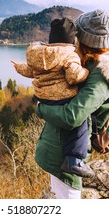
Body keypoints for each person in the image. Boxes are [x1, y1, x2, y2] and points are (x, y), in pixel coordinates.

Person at [34, 9, 109, 199]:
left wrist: (40, 108)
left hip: (65, 157)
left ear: (84, 40)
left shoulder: (101, 76)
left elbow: (72, 117)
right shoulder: (88, 65)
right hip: (60, 152)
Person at [11, 17, 94, 178]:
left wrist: (18, 67)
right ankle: (74, 160)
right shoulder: (69, 54)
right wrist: (87, 72)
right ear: (71, 40)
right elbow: (73, 77)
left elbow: (30, 71)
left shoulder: (39, 54)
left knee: (67, 124)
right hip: (62, 97)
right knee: (79, 123)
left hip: (44, 98)